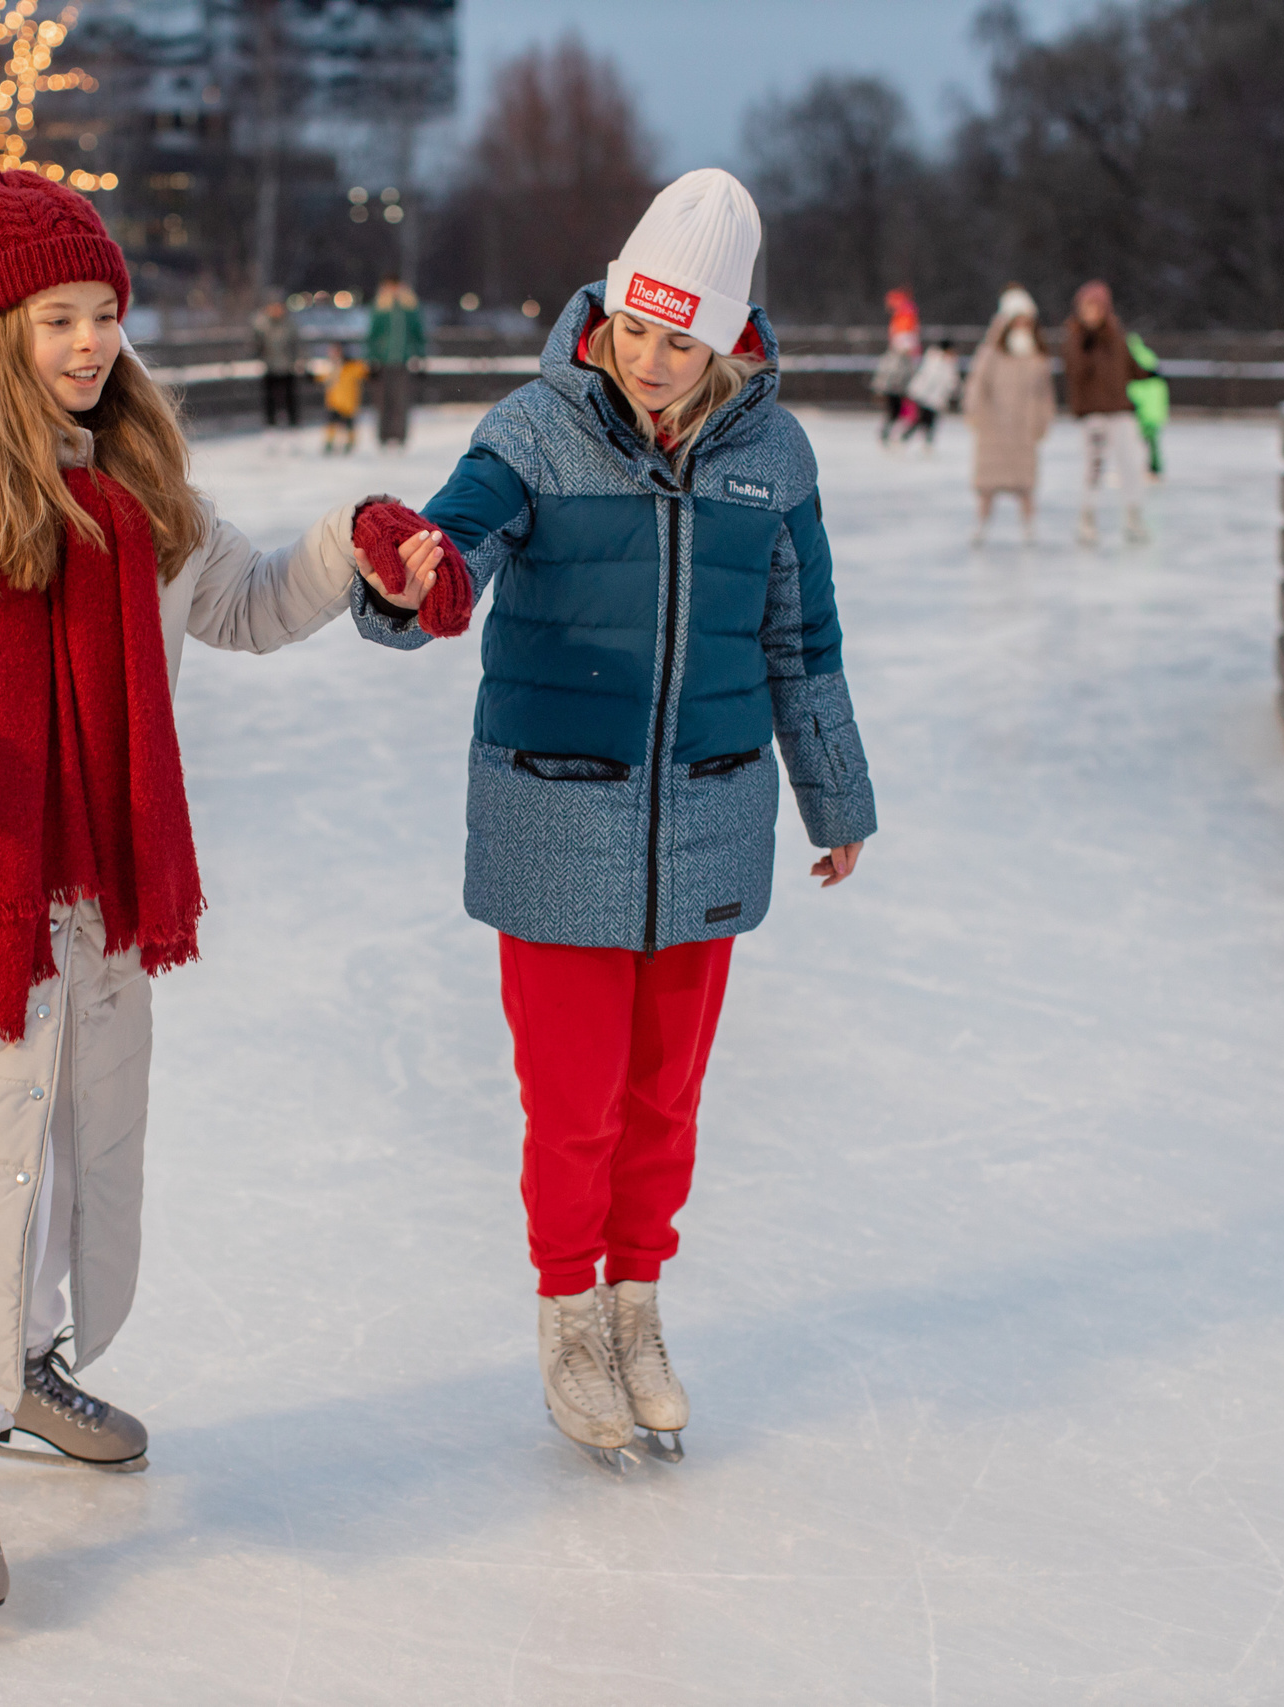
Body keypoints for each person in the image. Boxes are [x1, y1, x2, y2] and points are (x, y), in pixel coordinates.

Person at [0, 166, 417, 1627]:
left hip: (86, 872)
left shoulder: (137, 478)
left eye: (105, 311)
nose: (92, 341)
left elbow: (240, 599)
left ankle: (28, 1367)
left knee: (61, 1138)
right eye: (58, 317)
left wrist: (349, 550)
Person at [346, 168, 875, 1470]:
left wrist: (834, 794)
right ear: (607, 309)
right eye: (634, 327)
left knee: (664, 1101)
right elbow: (452, 549)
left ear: (727, 342)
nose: (648, 359)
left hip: (709, 817)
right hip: (557, 818)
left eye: (678, 342)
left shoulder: (773, 458)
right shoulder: (534, 430)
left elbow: (801, 639)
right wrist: (414, 578)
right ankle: (569, 1319)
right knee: (574, 1105)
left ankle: (637, 1307)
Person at [962, 286, 1054, 546]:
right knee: (988, 484)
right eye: (1017, 320)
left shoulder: (1037, 355)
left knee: (1025, 484)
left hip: (1023, 427)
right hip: (994, 426)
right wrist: (975, 414)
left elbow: (1044, 393)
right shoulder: (991, 352)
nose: (1022, 325)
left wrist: (1042, 421)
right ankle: (981, 525)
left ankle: (1028, 526)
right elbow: (977, 385)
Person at [1061, 279, 1148, 547]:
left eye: (1096, 307)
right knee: (1094, 468)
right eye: (1087, 308)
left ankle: (1133, 517)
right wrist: (1084, 345)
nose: (1091, 314)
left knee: (1130, 465)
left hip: (1119, 410)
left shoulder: (1116, 336)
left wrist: (1150, 373)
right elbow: (1074, 373)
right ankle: (1087, 519)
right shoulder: (1076, 338)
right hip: (1093, 414)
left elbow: (1130, 367)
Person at [365, 275, 426, 447]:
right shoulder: (380, 308)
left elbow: (418, 334)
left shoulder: (409, 308)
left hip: (403, 361)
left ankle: (399, 436)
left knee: (401, 400)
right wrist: (371, 359)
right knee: (383, 400)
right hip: (383, 361)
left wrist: (420, 357)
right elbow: (372, 335)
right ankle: (383, 436)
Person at [871, 287, 920, 444]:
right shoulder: (904, 319)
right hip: (898, 385)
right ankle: (893, 435)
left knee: (899, 411)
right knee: (899, 411)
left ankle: (892, 435)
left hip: (898, 384)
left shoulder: (903, 318)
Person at [1123, 328, 1169, 480]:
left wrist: (1133, 403)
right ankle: (1154, 469)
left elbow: (1136, 387)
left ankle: (1136, 470)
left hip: (1142, 409)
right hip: (1154, 410)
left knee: (1134, 441)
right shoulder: (1150, 357)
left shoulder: (1132, 361)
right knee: (1152, 442)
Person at [898, 338, 960, 449]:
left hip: (936, 398)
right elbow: (928, 377)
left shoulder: (949, 362)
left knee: (930, 421)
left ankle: (926, 442)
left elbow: (951, 380)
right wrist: (916, 391)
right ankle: (909, 439)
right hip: (926, 397)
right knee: (922, 420)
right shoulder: (934, 360)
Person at [253, 297, 299, 427]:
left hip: (287, 365)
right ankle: (270, 423)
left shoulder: (288, 324)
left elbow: (295, 343)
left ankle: (293, 422)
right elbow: (257, 343)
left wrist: (297, 359)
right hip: (270, 365)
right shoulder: (262, 324)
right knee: (269, 396)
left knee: (290, 395)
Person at [319, 341, 367, 454]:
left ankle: (350, 443)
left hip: (349, 403)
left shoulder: (351, 366)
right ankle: (329, 443)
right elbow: (321, 377)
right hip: (334, 402)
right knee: (331, 424)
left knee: (349, 425)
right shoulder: (330, 367)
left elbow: (364, 371)